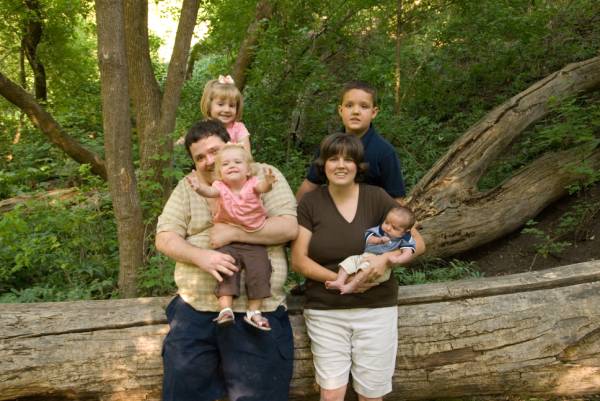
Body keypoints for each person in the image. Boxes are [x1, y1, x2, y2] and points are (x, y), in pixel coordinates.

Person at [156, 119, 297, 401]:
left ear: (231, 146)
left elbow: (288, 227)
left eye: (214, 151)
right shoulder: (189, 187)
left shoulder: (262, 176)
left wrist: (234, 232)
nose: (208, 161)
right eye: (199, 157)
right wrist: (201, 257)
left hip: (258, 311)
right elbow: (164, 237)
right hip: (197, 310)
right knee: (182, 390)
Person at [291, 133, 425, 401]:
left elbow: (418, 243)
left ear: (358, 165)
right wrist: (347, 280)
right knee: (331, 394)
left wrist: (385, 259)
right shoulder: (310, 203)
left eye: (348, 159)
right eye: (333, 159)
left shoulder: (376, 197)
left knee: (371, 395)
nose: (341, 165)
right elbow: (299, 260)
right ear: (323, 165)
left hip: (376, 308)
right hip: (326, 309)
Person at [186, 142, 277, 330]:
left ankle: (254, 312)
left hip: (253, 238)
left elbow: (263, 188)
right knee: (226, 269)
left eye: (237, 162)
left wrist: (268, 182)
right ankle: (225, 310)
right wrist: (198, 187)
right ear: (220, 173)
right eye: (226, 164)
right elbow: (209, 191)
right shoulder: (220, 186)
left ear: (248, 170)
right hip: (227, 238)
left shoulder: (253, 184)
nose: (232, 166)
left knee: (260, 270)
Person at [296, 80, 406, 202]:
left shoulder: (385, 152)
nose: (355, 111)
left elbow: (397, 199)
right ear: (340, 110)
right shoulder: (328, 146)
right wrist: (294, 211)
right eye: (349, 105)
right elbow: (311, 183)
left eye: (364, 106)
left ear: (373, 112)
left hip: (372, 212)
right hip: (332, 209)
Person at [325, 206, 416, 294]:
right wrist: (378, 240)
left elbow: (408, 252)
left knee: (365, 270)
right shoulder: (380, 230)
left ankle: (351, 286)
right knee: (348, 262)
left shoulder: (405, 239)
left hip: (381, 267)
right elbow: (368, 238)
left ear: (406, 231)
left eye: (394, 228)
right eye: (386, 222)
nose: (388, 228)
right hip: (365, 256)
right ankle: (339, 281)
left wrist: (398, 259)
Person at [200, 74, 252, 152]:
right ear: (209, 105)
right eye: (221, 104)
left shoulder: (239, 128)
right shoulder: (204, 127)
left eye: (232, 105)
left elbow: (247, 155)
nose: (227, 110)